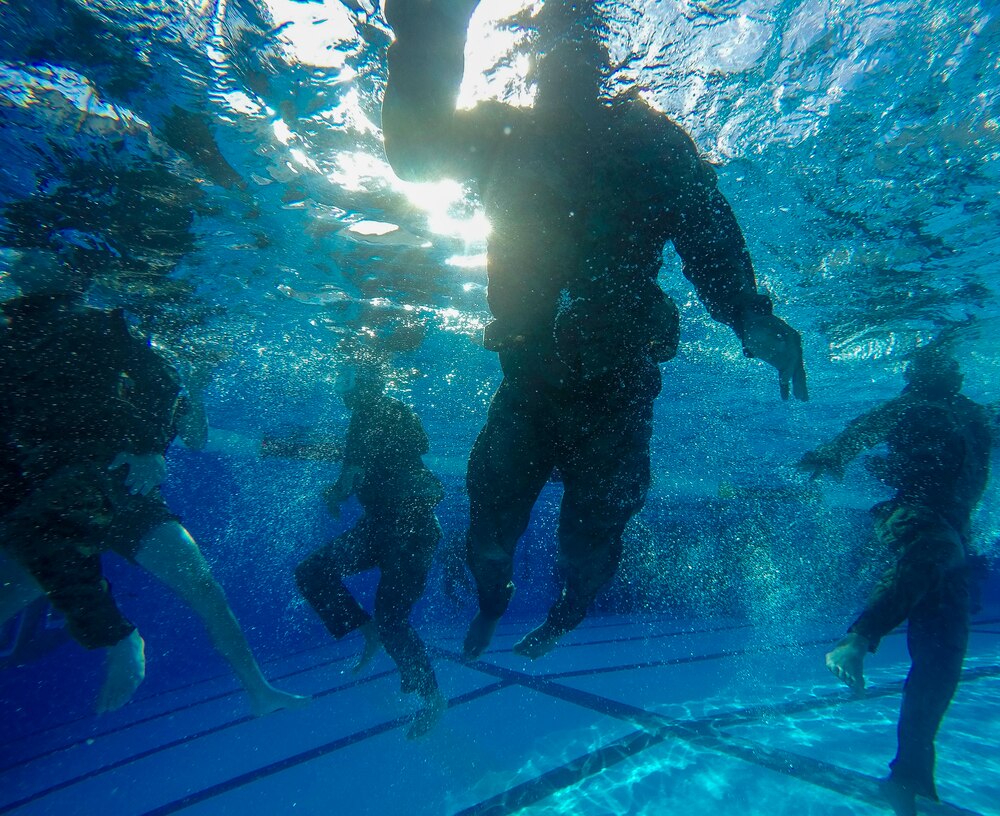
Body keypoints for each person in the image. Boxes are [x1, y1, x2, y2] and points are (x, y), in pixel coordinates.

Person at [380, 0, 808, 660]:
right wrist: (426, 33)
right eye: (552, 48)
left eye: (579, 48)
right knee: (488, 534)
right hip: (529, 384)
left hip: (618, 388)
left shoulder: (648, 142)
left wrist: (749, 314)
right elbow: (414, 154)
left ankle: (566, 615)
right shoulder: (504, 136)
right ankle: (495, 602)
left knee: (589, 539)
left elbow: (708, 235)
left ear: (603, 60)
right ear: (531, 59)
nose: (564, 64)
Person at [0, 250, 307, 715]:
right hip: (54, 510)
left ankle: (259, 690)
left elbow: (195, 434)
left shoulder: (116, 348)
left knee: (205, 590)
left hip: (121, 494)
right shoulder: (29, 346)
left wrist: (182, 408)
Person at [798, 344, 1000, 815]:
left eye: (950, 361)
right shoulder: (905, 406)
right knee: (939, 548)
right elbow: (858, 433)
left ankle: (910, 774)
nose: (946, 367)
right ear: (916, 371)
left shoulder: (978, 413)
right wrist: (828, 456)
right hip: (909, 515)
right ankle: (856, 638)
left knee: (944, 656)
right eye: (935, 362)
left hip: (952, 536)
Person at [294, 353, 446, 738]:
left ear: (362, 384)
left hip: (407, 529)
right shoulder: (397, 410)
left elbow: (352, 475)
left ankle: (431, 698)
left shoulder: (367, 413)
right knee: (319, 575)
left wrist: (334, 494)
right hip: (388, 526)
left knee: (325, 579)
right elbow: (413, 452)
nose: (341, 389)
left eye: (345, 380)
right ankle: (370, 630)